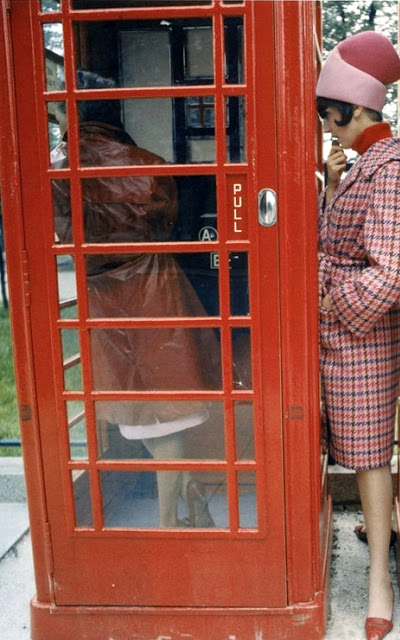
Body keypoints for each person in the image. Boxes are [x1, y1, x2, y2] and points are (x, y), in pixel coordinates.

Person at [51, 70, 221, 528]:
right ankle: (178, 506)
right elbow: (167, 222)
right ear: (114, 109)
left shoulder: (60, 169)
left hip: (102, 293)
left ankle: (172, 514)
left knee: (139, 408)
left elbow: (63, 231)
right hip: (155, 287)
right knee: (165, 406)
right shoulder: (148, 163)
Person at [316, 32, 400, 640]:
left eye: (330, 113)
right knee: (350, 449)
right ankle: (382, 530)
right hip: (336, 337)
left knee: (371, 459)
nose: (326, 123)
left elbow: (393, 269)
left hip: (361, 338)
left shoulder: (387, 168)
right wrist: (329, 187)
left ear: (356, 109)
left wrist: (333, 298)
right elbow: (340, 241)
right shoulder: (360, 165)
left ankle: (379, 578)